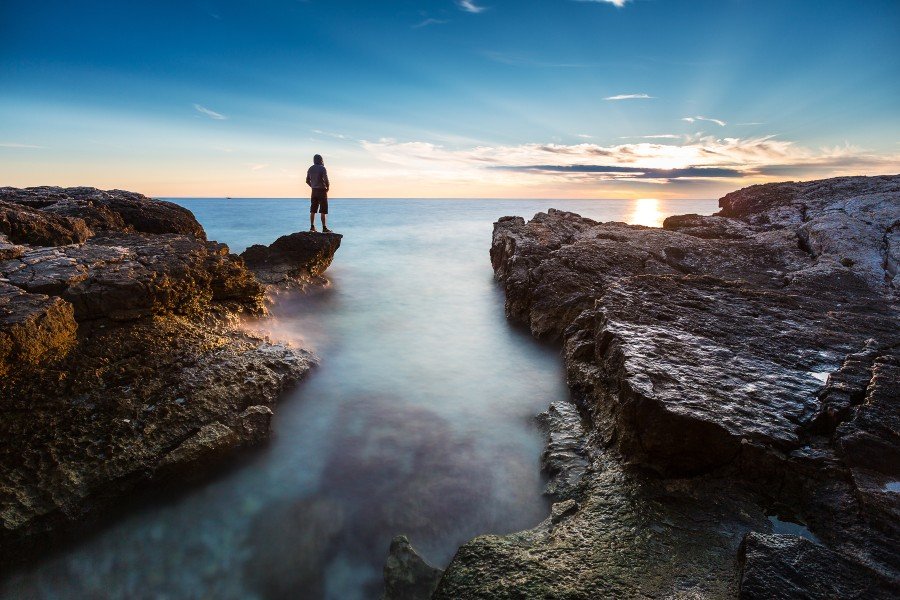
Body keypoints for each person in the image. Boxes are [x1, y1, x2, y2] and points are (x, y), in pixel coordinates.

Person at [306, 154, 332, 233]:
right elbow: (326, 179)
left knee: (313, 209)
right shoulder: (322, 168)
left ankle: (312, 227)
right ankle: (324, 228)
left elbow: (307, 181)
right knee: (323, 210)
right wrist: (328, 187)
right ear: (321, 160)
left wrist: (312, 186)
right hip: (322, 191)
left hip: (314, 191)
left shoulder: (310, 168)